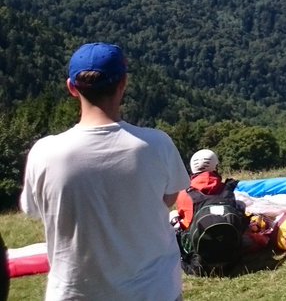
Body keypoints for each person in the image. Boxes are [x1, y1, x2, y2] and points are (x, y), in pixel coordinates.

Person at [21, 42, 190, 301]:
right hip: (153, 291)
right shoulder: (157, 145)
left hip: (75, 294)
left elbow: (35, 209)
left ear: (72, 88)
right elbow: (169, 199)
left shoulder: (44, 152)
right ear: (123, 84)